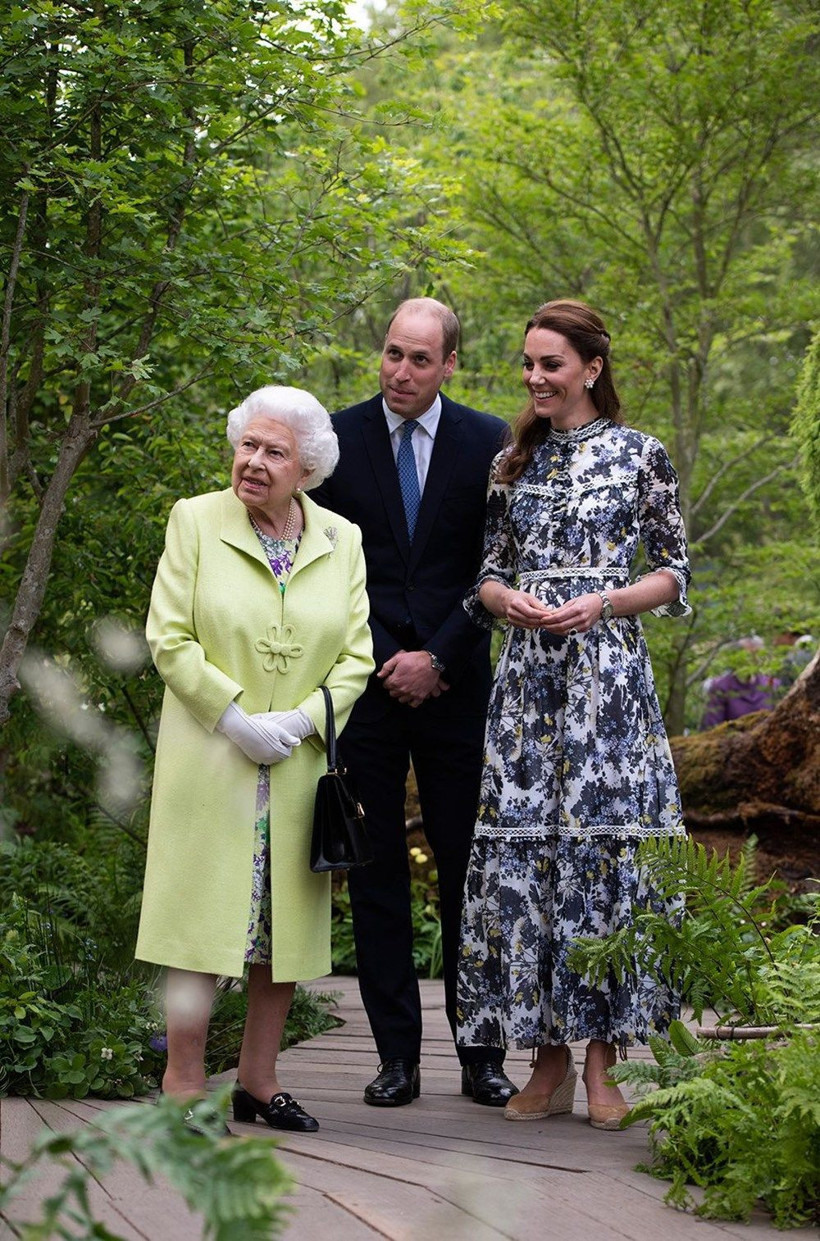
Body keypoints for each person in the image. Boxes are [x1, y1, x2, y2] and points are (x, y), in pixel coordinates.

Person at [456, 299, 691, 1130]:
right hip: (527, 693)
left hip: (607, 686)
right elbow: (484, 574)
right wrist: (504, 598)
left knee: (599, 863)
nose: (533, 377)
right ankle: (543, 1061)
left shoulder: (641, 457)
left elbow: (673, 574)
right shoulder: (511, 463)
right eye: (528, 363)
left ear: (591, 367)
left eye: (549, 364)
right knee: (532, 869)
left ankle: (601, 1064)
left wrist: (607, 601)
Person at [136, 385, 374, 1133]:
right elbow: (168, 637)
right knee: (200, 923)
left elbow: (357, 655)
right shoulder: (196, 520)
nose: (254, 462)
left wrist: (303, 720)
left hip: (298, 766)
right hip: (214, 756)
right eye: (247, 445)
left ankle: (258, 1080)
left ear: (306, 466)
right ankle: (181, 1080)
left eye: (274, 452)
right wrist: (235, 718)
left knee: (278, 930)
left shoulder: (343, 538)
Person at [311, 297, 516, 1108]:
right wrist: (386, 656)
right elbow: (321, 563)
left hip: (457, 683)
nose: (400, 371)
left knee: (471, 868)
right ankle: (396, 1056)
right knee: (377, 874)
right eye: (392, 353)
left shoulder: (489, 441)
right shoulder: (337, 438)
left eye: (419, 359)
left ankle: (481, 1056)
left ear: (450, 365)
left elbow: (496, 562)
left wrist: (440, 653)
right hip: (364, 686)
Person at [700, 636, 780, 728]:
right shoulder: (721, 687)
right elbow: (712, 727)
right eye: (749, 655)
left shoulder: (771, 685)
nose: (755, 659)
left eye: (758, 654)